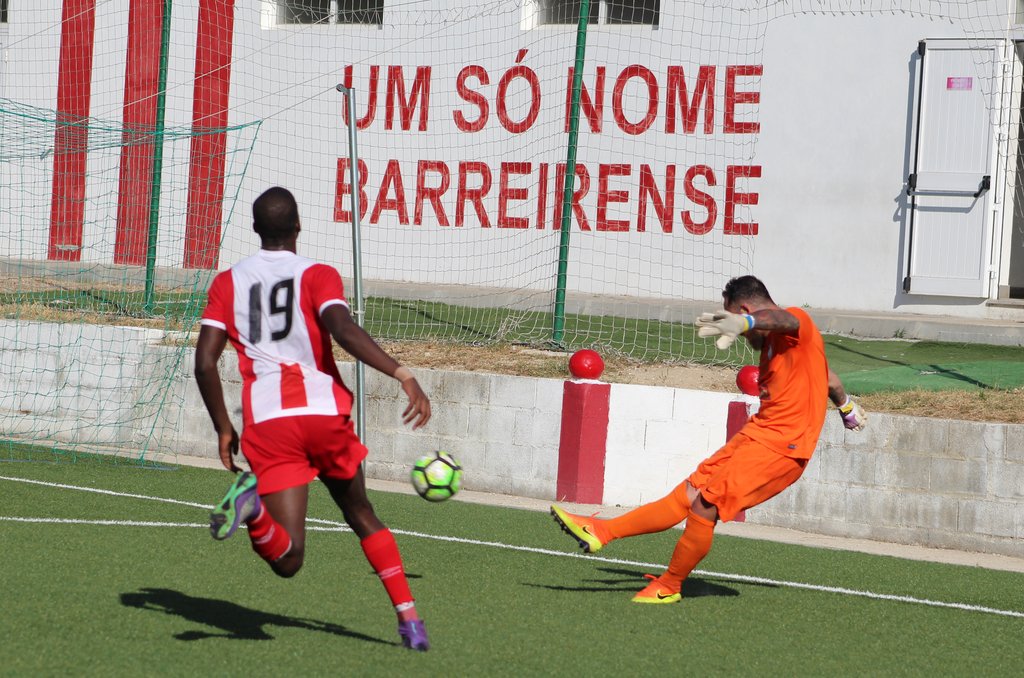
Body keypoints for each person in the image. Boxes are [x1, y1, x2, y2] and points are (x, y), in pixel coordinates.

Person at [195, 186, 433, 650]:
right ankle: (410, 621)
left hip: (271, 423)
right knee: (360, 512)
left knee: (288, 560)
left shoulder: (227, 282)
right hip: (324, 414)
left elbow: (205, 363)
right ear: (299, 225)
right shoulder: (318, 274)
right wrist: (402, 373)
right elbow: (342, 329)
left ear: (255, 228)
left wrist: (224, 428)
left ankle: (255, 513)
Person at [550, 275, 866, 603]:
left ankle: (670, 585)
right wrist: (846, 406)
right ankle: (601, 531)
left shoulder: (795, 322)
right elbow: (828, 377)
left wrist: (744, 323)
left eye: (734, 319)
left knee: (705, 506)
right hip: (758, 435)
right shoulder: (781, 348)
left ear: (745, 311)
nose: (740, 335)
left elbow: (786, 319)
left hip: (783, 448)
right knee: (687, 494)